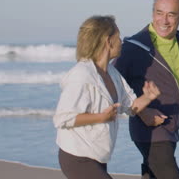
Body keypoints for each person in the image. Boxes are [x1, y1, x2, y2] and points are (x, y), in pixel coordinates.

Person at [53, 15, 161, 179]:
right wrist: (101, 117)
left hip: (97, 156)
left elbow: (130, 106)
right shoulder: (81, 75)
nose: (121, 42)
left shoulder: (112, 73)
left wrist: (148, 97)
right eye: (118, 37)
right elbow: (62, 118)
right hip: (76, 156)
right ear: (108, 41)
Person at [114, 0, 179, 179]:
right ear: (152, 13)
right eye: (159, 13)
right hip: (148, 128)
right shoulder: (135, 46)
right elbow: (113, 83)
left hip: (173, 125)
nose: (164, 21)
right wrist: (143, 111)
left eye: (171, 14)